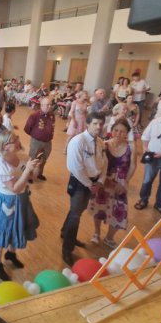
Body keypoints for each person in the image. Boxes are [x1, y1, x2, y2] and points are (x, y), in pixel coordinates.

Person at [0, 132, 40, 280]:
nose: (17, 141)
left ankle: (11, 254)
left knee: (17, 227)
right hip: (7, 201)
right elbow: (15, 188)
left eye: (16, 139)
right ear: (4, 146)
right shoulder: (0, 164)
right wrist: (28, 170)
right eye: (13, 141)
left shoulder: (21, 157)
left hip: (22, 199)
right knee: (3, 230)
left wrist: (35, 168)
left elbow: (31, 178)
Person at [61, 112, 108, 266]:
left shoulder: (100, 142)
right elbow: (75, 167)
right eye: (95, 123)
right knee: (75, 215)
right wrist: (90, 184)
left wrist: (100, 182)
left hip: (92, 183)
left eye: (101, 124)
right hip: (80, 182)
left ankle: (65, 233)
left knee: (77, 211)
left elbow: (104, 163)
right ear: (87, 124)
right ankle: (67, 249)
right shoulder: (78, 141)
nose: (98, 127)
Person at [88, 120, 136, 249]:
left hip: (120, 184)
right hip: (105, 181)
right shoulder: (105, 145)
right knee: (99, 208)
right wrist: (101, 181)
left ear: (127, 133)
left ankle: (109, 237)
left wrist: (126, 182)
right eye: (116, 130)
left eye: (122, 131)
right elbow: (99, 163)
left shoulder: (131, 146)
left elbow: (133, 166)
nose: (118, 134)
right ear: (111, 130)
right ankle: (96, 233)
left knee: (119, 211)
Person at [24, 96, 55, 181]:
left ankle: (39, 173)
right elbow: (27, 128)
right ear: (42, 105)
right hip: (36, 141)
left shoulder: (52, 115)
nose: (50, 106)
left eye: (50, 104)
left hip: (48, 142)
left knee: (43, 159)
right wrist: (36, 135)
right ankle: (28, 175)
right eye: (47, 105)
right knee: (33, 158)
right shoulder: (34, 115)